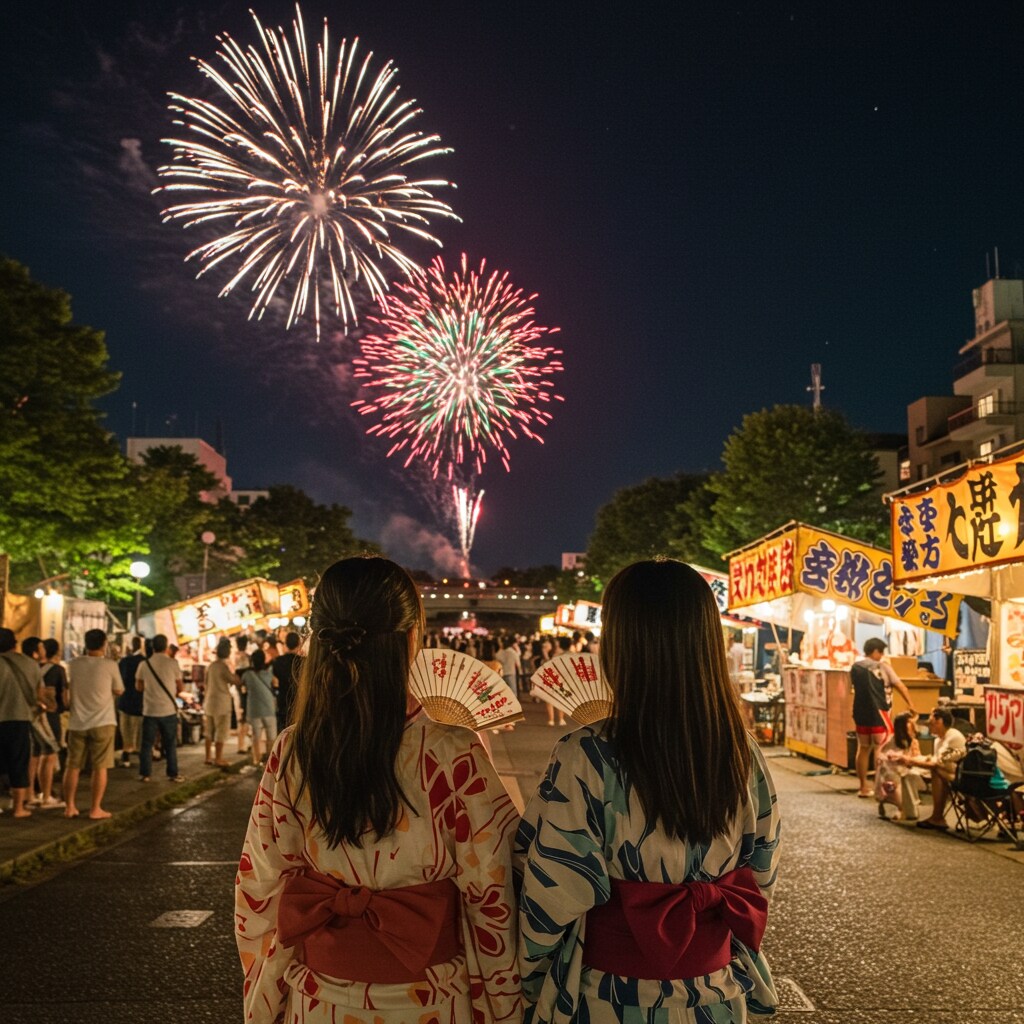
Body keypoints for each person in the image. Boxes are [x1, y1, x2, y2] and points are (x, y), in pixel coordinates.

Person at [235, 556, 521, 1024]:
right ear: (411, 638)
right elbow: (492, 893)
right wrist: (504, 1003)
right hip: (432, 998)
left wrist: (266, 995)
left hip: (319, 998)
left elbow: (259, 886)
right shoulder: (453, 751)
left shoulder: (293, 750)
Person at [516, 559, 781, 1023]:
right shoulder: (742, 751)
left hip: (611, 999)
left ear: (618, 645)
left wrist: (529, 978)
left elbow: (552, 892)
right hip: (716, 994)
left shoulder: (587, 755)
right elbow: (760, 873)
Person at [64, 629, 124, 819]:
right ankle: (95, 808)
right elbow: (119, 690)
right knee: (100, 767)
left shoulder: (73, 664)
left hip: (77, 721)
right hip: (103, 721)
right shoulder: (110, 665)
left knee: (72, 766)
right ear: (104, 643)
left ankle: (69, 807)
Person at [850, 638, 916, 797]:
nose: (881, 655)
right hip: (880, 713)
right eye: (881, 652)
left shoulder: (855, 667)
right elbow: (900, 686)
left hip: (860, 713)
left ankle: (863, 787)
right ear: (875, 651)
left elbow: (851, 688)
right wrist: (911, 704)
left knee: (863, 748)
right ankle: (879, 788)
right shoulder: (882, 667)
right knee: (881, 749)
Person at [907, 707, 967, 830]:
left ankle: (937, 817)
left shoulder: (953, 736)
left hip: (963, 776)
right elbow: (936, 761)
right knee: (933, 770)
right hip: (950, 772)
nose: (929, 725)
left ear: (939, 721)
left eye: (931, 720)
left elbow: (937, 763)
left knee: (936, 770)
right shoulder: (938, 739)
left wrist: (911, 761)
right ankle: (936, 816)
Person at [0, 627, 39, 819]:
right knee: (18, 762)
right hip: (19, 719)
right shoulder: (30, 664)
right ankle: (18, 808)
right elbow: (38, 693)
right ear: (15, 643)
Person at [135, 634, 184, 783]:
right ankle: (172, 774)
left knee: (147, 744)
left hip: (150, 709)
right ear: (166, 647)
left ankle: (145, 774)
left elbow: (138, 687)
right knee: (170, 744)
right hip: (168, 709)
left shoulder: (144, 664)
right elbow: (180, 687)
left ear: (152, 647)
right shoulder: (173, 664)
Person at [880, 711, 926, 821]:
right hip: (892, 768)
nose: (913, 725)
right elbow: (883, 754)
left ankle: (906, 806)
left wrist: (908, 760)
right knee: (893, 775)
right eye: (909, 722)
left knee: (909, 775)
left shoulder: (913, 741)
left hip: (907, 767)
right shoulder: (892, 740)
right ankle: (901, 806)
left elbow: (916, 756)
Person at [241, 649, 277, 766]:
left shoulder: (247, 674)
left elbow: (242, 686)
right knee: (271, 736)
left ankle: (257, 760)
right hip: (269, 708)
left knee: (256, 736)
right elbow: (275, 684)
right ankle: (270, 761)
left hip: (254, 709)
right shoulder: (268, 673)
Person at [203, 638, 235, 768]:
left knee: (209, 731)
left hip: (209, 701)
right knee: (220, 731)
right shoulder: (223, 667)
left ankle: (208, 757)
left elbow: (205, 683)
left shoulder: (211, 666)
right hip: (222, 703)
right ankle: (218, 758)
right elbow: (233, 680)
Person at [117, 636, 145, 770]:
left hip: (124, 701)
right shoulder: (144, 662)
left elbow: (118, 681)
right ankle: (142, 760)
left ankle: (126, 756)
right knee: (139, 732)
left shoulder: (124, 661)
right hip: (140, 702)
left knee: (125, 731)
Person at [271, 631, 303, 731]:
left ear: (286, 644)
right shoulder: (303, 662)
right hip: (299, 700)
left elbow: (274, 681)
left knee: (284, 731)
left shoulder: (278, 662)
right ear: (299, 644)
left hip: (283, 700)